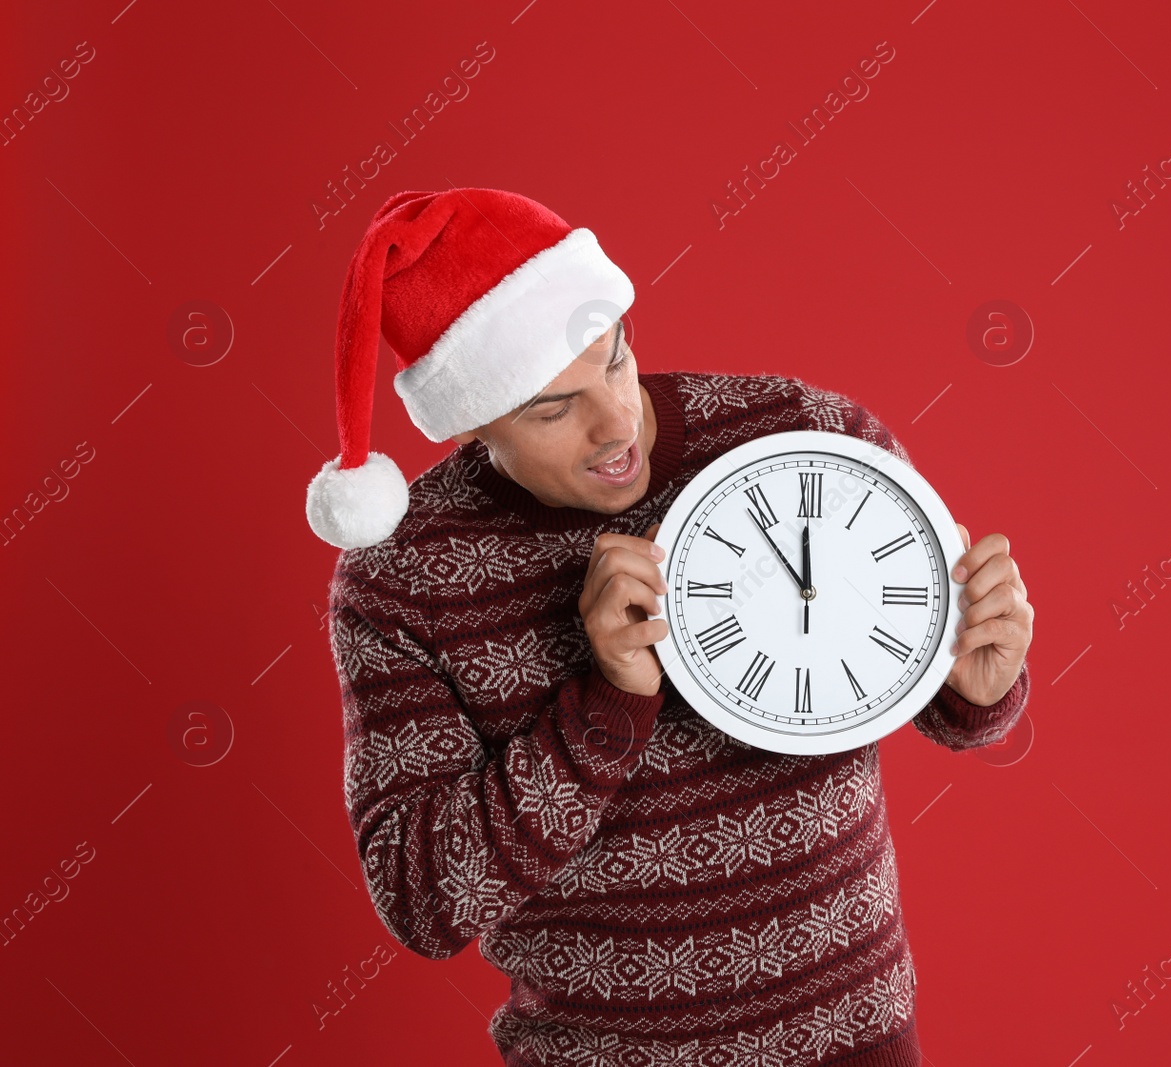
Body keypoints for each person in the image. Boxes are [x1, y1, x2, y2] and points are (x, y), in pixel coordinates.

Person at [306, 188, 1034, 1066]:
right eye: (551, 408)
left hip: (856, 1039)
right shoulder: (402, 580)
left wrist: (976, 688)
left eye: (613, 361)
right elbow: (423, 900)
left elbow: (914, 680)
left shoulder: (803, 435)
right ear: (471, 419)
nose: (615, 423)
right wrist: (605, 706)